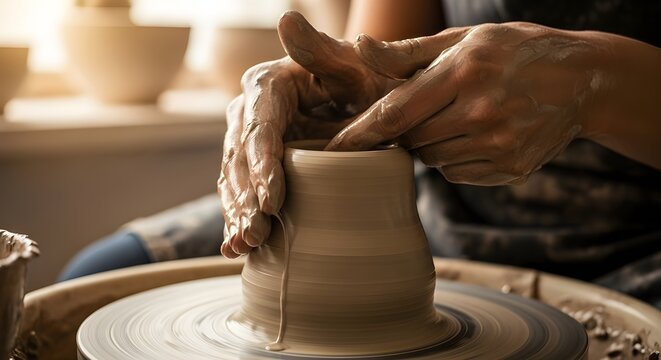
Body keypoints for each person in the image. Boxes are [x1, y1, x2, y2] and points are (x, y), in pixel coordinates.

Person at [60, 0, 661, 308]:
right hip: (433, 212)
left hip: (641, 246)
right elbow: (373, 61)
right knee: (98, 279)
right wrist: (331, 86)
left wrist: (597, 83)